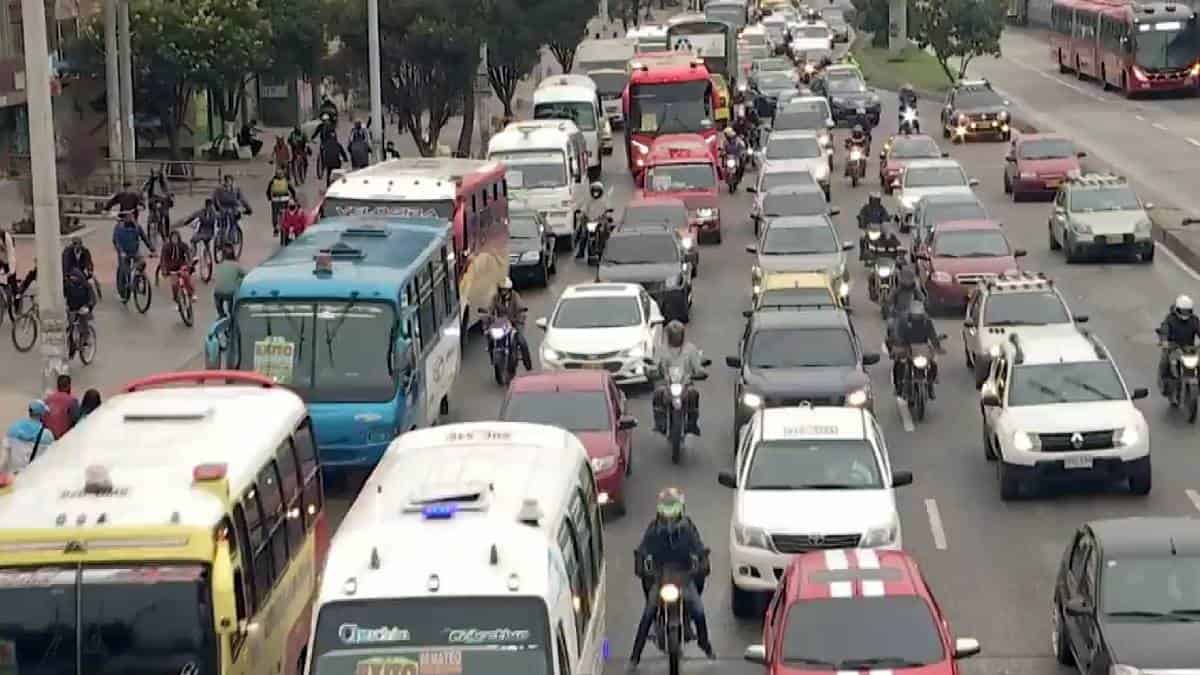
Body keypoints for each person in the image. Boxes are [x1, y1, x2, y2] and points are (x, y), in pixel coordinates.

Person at [630, 488, 714, 667]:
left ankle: (704, 643)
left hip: (684, 577)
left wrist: (703, 562)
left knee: (698, 611)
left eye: (673, 510)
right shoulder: (653, 530)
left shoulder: (688, 528)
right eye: (666, 510)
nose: (669, 517)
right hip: (660, 578)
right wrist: (640, 565)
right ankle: (634, 657)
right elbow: (642, 550)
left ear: (681, 509)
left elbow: (699, 548)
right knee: (647, 614)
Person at [651, 320, 706, 436]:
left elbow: (697, 367)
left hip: (685, 384)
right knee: (657, 394)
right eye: (673, 334)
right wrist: (653, 371)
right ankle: (659, 423)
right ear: (669, 335)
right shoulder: (661, 349)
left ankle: (692, 423)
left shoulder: (690, 349)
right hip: (667, 384)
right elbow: (655, 365)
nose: (676, 337)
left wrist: (700, 372)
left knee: (694, 394)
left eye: (678, 334)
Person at [892, 301, 943, 398]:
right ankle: (898, 385)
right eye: (915, 315)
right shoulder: (903, 321)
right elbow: (898, 334)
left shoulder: (927, 321)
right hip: (907, 346)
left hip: (922, 348)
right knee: (899, 363)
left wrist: (937, 345)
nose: (917, 317)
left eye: (919, 315)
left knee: (933, 362)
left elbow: (932, 335)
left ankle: (930, 383)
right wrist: (898, 343)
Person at [488, 277, 533, 370]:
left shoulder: (515, 296)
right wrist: (489, 318)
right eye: (501, 290)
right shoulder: (495, 297)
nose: (503, 292)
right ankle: (493, 357)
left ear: (510, 290)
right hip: (501, 323)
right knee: (490, 337)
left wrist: (520, 317)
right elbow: (490, 309)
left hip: (515, 322)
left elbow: (521, 308)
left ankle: (527, 364)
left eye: (505, 290)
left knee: (521, 341)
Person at [1157, 295, 1200, 385]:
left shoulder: (1194, 320)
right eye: (1183, 311)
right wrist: (1164, 341)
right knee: (1165, 360)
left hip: (1189, 348)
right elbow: (1165, 329)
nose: (1185, 313)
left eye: (1187, 311)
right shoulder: (1170, 319)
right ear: (1177, 309)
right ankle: (1163, 379)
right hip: (1173, 347)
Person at [2, 400, 54, 473]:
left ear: (29, 411)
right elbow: (48, 459)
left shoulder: (13, 428)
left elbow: (5, 457)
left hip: (14, 473)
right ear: (42, 414)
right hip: (33, 475)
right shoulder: (47, 435)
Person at [112, 211, 154, 300]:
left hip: (134, 251)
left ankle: (138, 278)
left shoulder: (137, 227)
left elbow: (144, 237)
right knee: (124, 270)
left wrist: (152, 249)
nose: (131, 218)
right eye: (129, 217)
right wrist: (121, 251)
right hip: (124, 252)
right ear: (124, 219)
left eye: (132, 217)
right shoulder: (119, 228)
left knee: (142, 263)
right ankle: (122, 292)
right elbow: (116, 241)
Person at [576, 182, 611, 260]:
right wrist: (581, 214)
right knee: (583, 235)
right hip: (590, 221)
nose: (596, 193)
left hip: (600, 221)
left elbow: (608, 209)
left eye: (597, 191)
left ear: (601, 191)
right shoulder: (588, 200)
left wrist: (608, 215)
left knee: (606, 232)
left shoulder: (604, 200)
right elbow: (583, 209)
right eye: (594, 191)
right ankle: (581, 252)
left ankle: (605, 249)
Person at [160, 230, 195, 301]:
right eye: (173, 238)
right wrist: (164, 269)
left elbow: (188, 254)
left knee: (186, 277)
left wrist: (190, 264)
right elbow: (163, 259)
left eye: (176, 238)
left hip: (181, 265)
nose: (175, 239)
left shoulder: (183, 245)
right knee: (174, 284)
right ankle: (176, 297)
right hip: (171, 267)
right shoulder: (166, 247)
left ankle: (191, 294)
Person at [213, 243, 245, 319]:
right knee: (232, 294)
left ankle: (221, 314)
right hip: (230, 293)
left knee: (217, 297)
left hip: (218, 292)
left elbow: (216, 278)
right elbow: (246, 275)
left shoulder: (220, 265)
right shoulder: (236, 265)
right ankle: (231, 314)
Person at [43, 374, 80, 439]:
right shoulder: (72, 400)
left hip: (47, 435)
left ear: (57, 386)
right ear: (68, 386)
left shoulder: (48, 399)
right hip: (62, 436)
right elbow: (76, 419)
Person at [857, 192, 891, 260]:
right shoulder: (865, 208)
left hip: (879, 228)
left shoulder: (881, 208)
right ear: (871, 199)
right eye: (874, 200)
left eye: (877, 200)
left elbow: (885, 215)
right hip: (868, 228)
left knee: (888, 237)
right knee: (862, 238)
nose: (876, 202)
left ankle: (888, 253)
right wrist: (862, 222)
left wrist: (886, 219)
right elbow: (861, 215)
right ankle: (862, 253)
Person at [266, 169, 298, 235]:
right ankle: (289, 225)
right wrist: (294, 198)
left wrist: (269, 198)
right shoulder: (286, 180)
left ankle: (275, 228)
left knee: (274, 214)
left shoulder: (272, 181)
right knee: (287, 212)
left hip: (275, 200)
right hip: (285, 199)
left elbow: (268, 191)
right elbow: (292, 190)